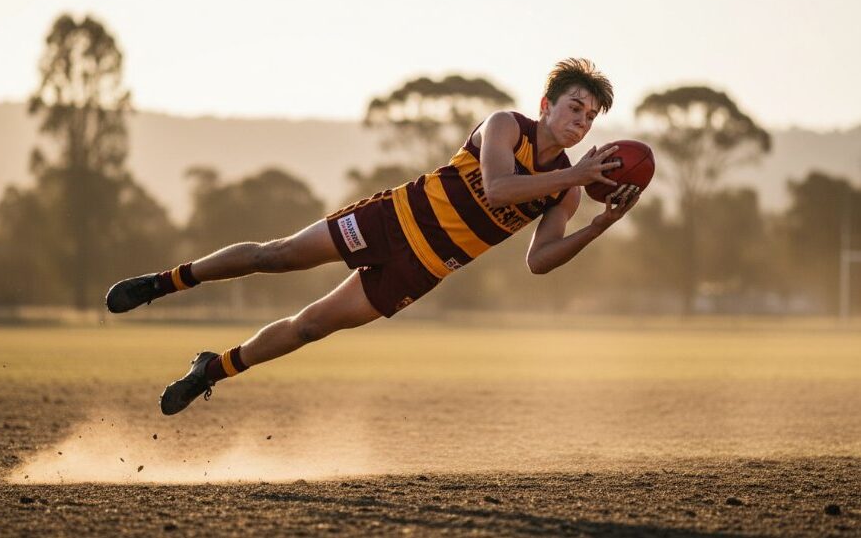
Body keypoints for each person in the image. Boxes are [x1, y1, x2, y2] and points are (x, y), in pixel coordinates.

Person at [106, 58, 641, 416]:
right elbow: (500, 188)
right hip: (392, 220)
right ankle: (166, 282)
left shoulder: (565, 193)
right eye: (576, 107)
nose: (582, 122)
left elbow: (540, 262)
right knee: (279, 255)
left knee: (311, 327)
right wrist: (574, 175)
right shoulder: (506, 126)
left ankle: (212, 368)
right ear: (547, 104)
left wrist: (598, 225)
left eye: (591, 117)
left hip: (425, 268)